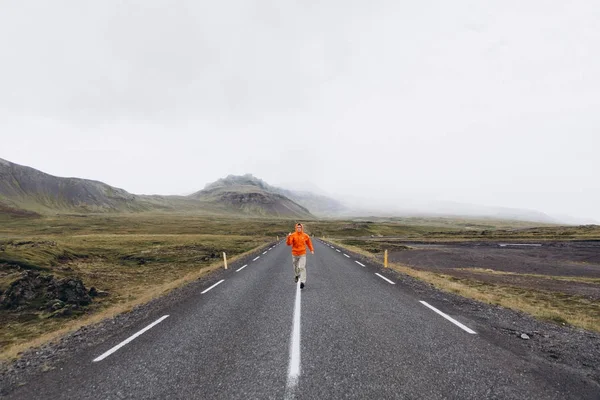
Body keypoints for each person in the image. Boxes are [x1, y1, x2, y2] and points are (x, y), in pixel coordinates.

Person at [286, 223, 314, 289]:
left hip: (302, 254)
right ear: (296, 228)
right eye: (298, 227)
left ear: (302, 228)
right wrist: (289, 237)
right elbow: (288, 244)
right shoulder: (293, 235)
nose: (299, 228)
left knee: (302, 267)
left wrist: (311, 250)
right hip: (294, 254)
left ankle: (303, 282)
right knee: (295, 267)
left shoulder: (305, 236)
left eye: (300, 227)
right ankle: (296, 275)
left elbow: (309, 243)